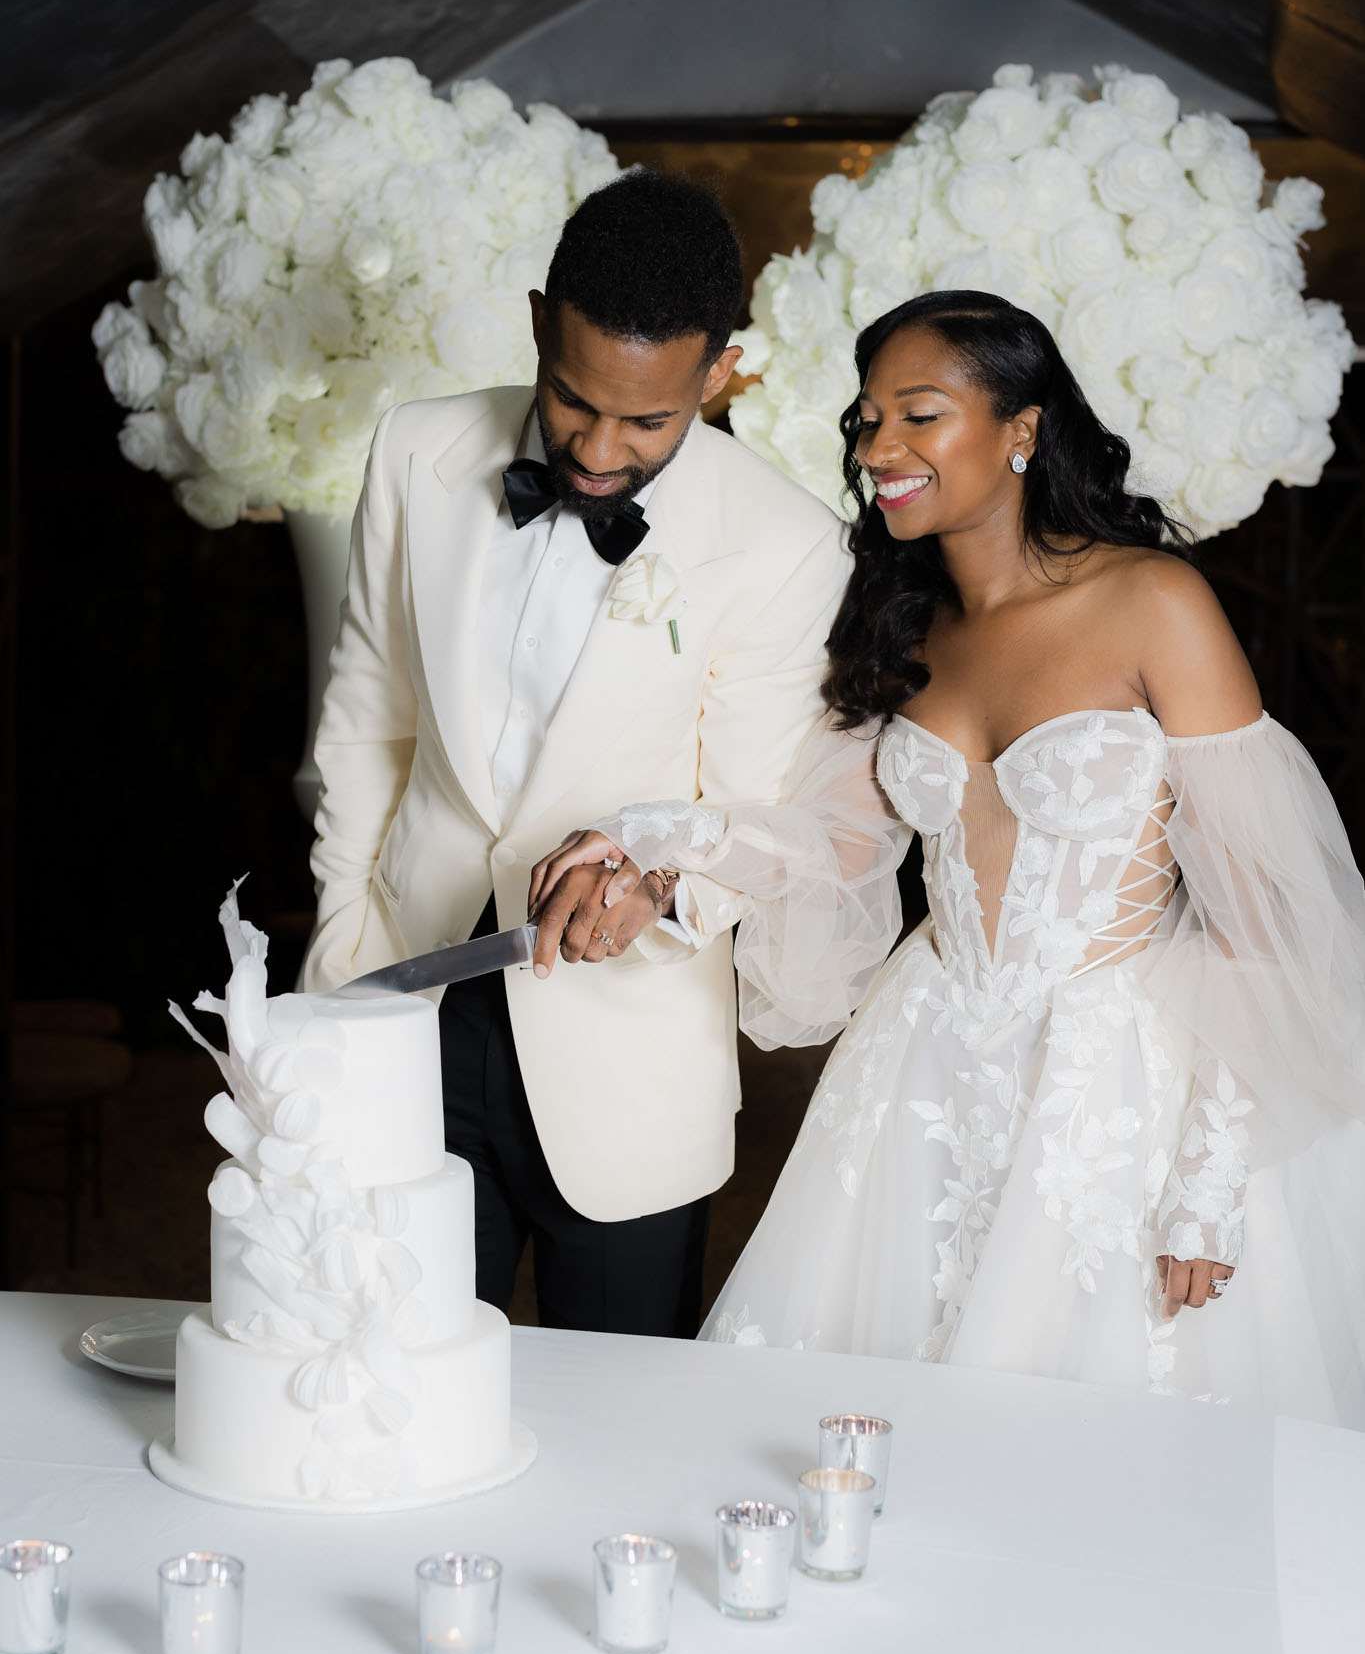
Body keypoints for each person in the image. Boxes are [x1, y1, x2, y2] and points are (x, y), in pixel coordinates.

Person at [534, 290, 1365, 1424]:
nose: (880, 449)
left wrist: (1209, 1186)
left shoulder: (1154, 602)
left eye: (920, 416)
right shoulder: (903, 624)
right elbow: (841, 839)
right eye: (867, 420)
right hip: (924, 1067)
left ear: (1022, 426)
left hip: (1115, 1086)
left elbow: (1258, 914)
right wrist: (655, 837)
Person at [302, 170, 847, 1339]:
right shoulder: (416, 451)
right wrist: (343, 958)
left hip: (626, 1053)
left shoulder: (789, 545)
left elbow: (754, 815)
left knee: (623, 1423)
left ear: (719, 371)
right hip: (411, 1008)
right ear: (541, 320)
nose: (599, 450)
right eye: (573, 402)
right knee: (393, 1378)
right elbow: (366, 719)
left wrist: (658, 885)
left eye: (648, 420)